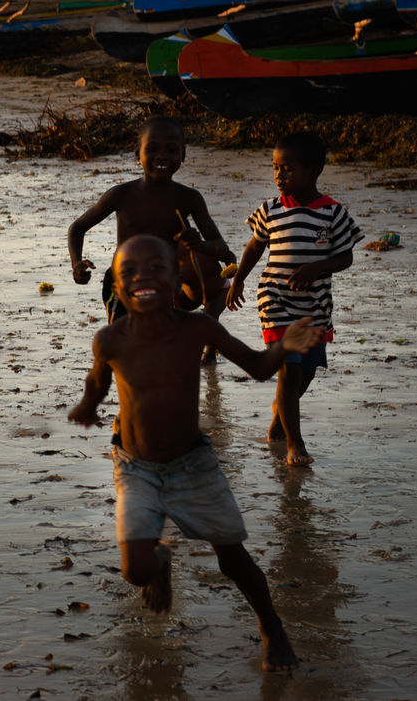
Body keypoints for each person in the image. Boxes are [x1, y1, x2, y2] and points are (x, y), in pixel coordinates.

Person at [68, 234, 318, 672]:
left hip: (193, 464)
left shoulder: (197, 328)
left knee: (234, 560)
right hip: (136, 466)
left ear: (178, 275)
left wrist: (284, 347)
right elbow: (99, 380)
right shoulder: (111, 339)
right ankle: (160, 560)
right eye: (129, 272)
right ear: (116, 286)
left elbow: (258, 367)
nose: (143, 277)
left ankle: (272, 628)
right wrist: (87, 408)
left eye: (157, 268)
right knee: (136, 571)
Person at [226, 131, 362, 466]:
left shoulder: (333, 213)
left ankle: (279, 419)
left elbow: (345, 257)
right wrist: (239, 280)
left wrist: (318, 268)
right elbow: (255, 247)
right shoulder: (270, 210)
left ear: (314, 170)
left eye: (287, 168)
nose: (279, 175)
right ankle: (295, 445)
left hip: (314, 306)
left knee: (307, 371)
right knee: (288, 371)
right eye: (275, 168)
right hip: (275, 301)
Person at [68, 116, 235, 356]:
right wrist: (76, 263)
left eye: (171, 149)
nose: (162, 156)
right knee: (126, 349)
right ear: (138, 154)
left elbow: (220, 247)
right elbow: (77, 228)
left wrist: (199, 244)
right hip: (122, 284)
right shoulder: (121, 195)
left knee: (157, 352)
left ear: (183, 155)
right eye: (153, 148)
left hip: (162, 287)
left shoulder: (188, 199)